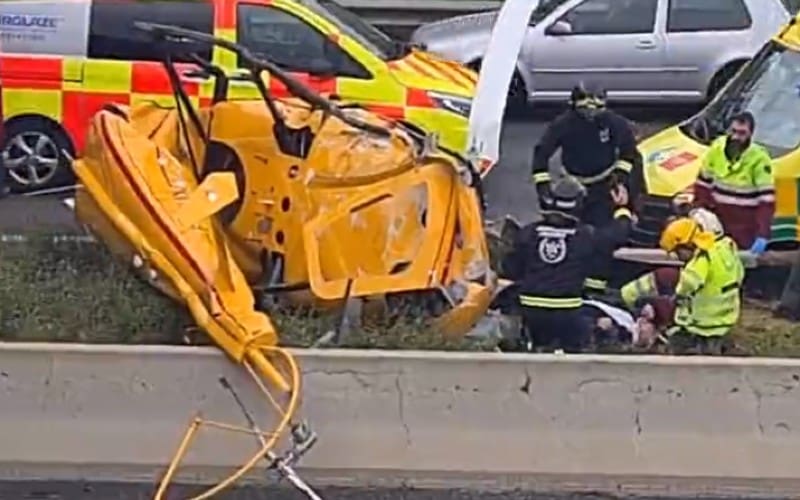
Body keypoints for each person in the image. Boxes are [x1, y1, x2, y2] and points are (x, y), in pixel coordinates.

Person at [531, 81, 643, 297]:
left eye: (597, 108)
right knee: (569, 236)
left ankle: (594, 289)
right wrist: (543, 188)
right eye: (585, 108)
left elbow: (629, 154)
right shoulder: (563, 124)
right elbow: (541, 155)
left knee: (602, 241)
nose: (591, 114)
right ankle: (568, 278)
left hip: (604, 188)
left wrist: (619, 179)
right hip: (573, 189)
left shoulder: (614, 123)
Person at [501, 174, 634, 353]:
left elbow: (510, 269)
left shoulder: (528, 233)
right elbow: (617, 234)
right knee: (580, 352)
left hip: (530, 311)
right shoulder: (584, 236)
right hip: (567, 311)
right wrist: (622, 209)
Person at [625, 217, 745, 354]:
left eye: (677, 251)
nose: (678, 257)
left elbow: (689, 283)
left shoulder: (702, 259)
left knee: (677, 347)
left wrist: (678, 295)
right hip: (725, 319)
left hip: (701, 322)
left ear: (687, 244)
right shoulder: (724, 249)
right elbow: (739, 274)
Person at [693, 111, 774, 255]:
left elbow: (766, 202)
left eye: (742, 133)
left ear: (750, 134)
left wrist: (763, 234)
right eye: (733, 131)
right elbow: (702, 184)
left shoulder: (759, 159)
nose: (736, 137)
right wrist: (701, 211)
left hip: (745, 229)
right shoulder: (717, 148)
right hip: (718, 226)